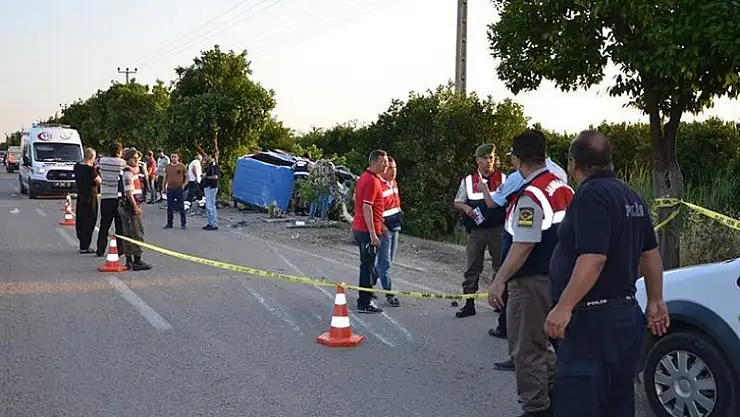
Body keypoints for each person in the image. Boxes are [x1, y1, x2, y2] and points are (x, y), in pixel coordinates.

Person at [545, 130, 670, 417]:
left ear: (573, 163)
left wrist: (564, 307)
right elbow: (650, 254)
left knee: (579, 405)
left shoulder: (590, 196)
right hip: (624, 318)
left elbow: (593, 258)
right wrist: (655, 300)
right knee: (617, 404)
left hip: (591, 323)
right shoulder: (631, 196)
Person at [488, 129, 574, 417]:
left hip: (531, 283)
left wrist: (499, 280)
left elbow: (524, 244)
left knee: (526, 350)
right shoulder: (562, 188)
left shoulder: (531, 195)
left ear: (516, 159)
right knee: (545, 346)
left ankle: (536, 408)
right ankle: (555, 399)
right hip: (559, 279)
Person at [452, 143, 507, 318]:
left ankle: (500, 302)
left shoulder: (503, 179)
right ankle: (469, 304)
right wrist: (466, 208)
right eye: (484, 158)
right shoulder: (469, 180)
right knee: (472, 267)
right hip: (476, 231)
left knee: (501, 266)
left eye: (491, 158)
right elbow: (457, 201)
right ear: (477, 160)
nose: (488, 161)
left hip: (498, 229)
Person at [351, 149, 389, 313]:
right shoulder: (372, 181)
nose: (386, 165)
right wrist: (373, 233)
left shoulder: (365, 177)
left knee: (367, 265)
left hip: (362, 227)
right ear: (374, 162)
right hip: (366, 230)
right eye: (383, 162)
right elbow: (367, 206)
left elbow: (356, 199)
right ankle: (364, 302)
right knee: (367, 266)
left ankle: (366, 297)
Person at [374, 156, 402, 307]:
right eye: (390, 168)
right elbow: (373, 209)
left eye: (395, 168)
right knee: (385, 263)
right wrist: (382, 226)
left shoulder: (393, 183)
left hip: (395, 226)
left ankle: (368, 284)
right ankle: (389, 294)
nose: (393, 171)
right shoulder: (378, 184)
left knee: (388, 260)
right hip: (384, 229)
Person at [117, 148, 152, 271]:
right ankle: (136, 260)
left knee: (128, 233)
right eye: (135, 158)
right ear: (129, 159)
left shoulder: (131, 171)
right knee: (137, 232)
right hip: (130, 206)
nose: (137, 161)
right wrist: (135, 207)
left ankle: (129, 260)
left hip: (127, 205)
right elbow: (128, 192)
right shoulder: (128, 173)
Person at [96, 143, 126, 257]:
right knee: (120, 226)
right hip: (118, 197)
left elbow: (98, 170)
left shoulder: (102, 161)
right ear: (119, 152)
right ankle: (120, 250)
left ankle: (100, 249)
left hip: (106, 196)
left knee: (104, 224)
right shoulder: (121, 163)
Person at [73, 147, 101, 254]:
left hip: (81, 195)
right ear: (91, 157)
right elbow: (98, 181)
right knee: (89, 220)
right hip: (91, 197)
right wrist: (97, 170)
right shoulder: (91, 169)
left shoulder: (77, 166)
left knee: (81, 218)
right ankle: (85, 246)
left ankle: (82, 242)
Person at [163, 153, 188, 230]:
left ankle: (183, 223)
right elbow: (165, 177)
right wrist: (163, 187)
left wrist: (184, 185)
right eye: (172, 157)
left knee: (181, 207)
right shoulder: (168, 167)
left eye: (175, 157)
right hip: (170, 189)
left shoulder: (182, 166)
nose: (173, 158)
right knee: (170, 207)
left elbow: (187, 177)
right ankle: (169, 223)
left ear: (178, 157)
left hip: (179, 189)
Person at [202, 152, 221, 230]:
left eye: (206, 156)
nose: (205, 157)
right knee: (209, 205)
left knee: (210, 205)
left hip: (211, 187)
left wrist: (206, 176)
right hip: (208, 186)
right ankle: (210, 222)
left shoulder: (213, 165)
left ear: (210, 156)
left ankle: (213, 224)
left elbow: (216, 176)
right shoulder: (209, 165)